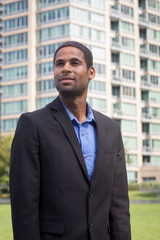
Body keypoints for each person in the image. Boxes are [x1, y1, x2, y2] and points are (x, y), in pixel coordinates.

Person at [10, 41, 131, 240]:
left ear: (91, 72)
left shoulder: (111, 129)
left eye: (74, 63)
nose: (65, 69)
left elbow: (118, 207)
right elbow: (24, 208)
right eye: (59, 64)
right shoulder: (32, 125)